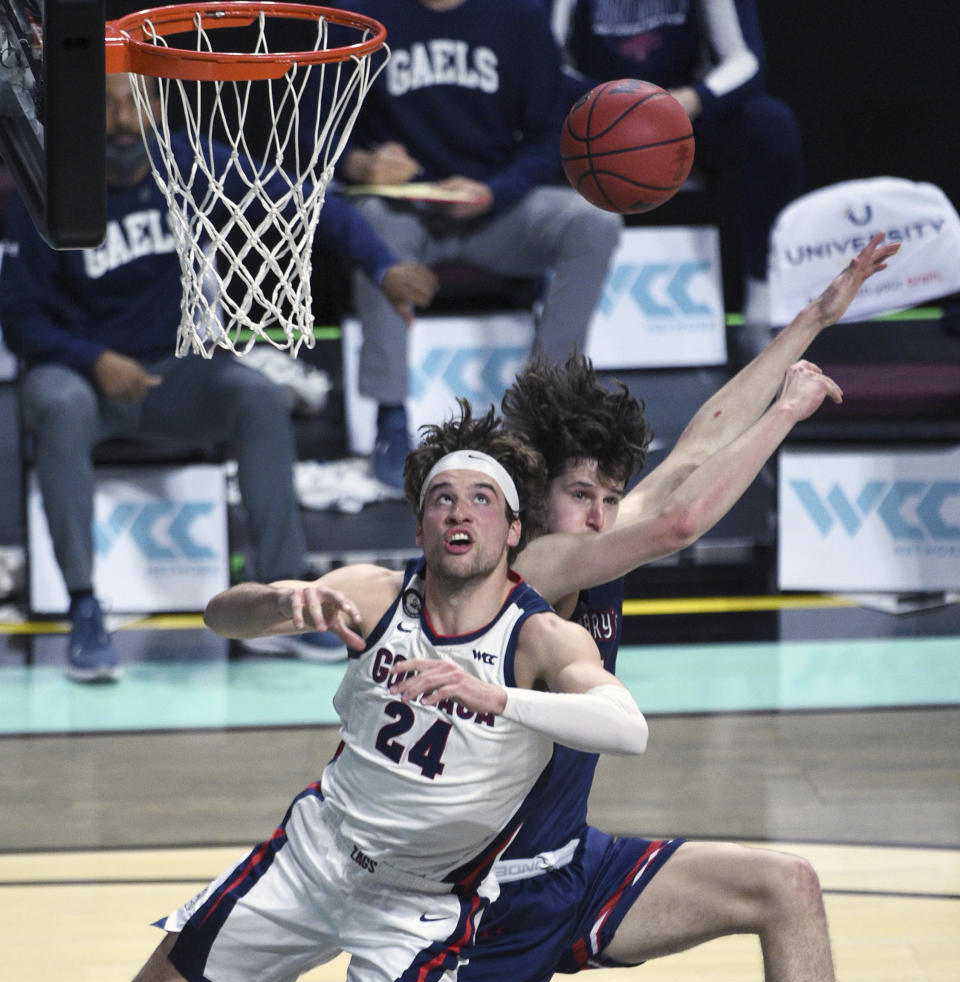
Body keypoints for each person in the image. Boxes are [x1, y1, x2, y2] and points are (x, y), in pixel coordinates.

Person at [336, 234, 953, 982]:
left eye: (604, 492)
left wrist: (814, 317)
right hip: (475, 912)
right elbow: (677, 514)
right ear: (528, 500)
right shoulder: (529, 566)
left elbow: (692, 448)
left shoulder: (590, 528)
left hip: (572, 866)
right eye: (582, 491)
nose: (599, 511)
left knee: (787, 885)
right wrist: (791, 414)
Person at [7, 406, 653, 982]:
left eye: (482, 497)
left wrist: (499, 697)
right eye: (440, 497)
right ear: (421, 521)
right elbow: (216, 616)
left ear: (516, 529)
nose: (458, 511)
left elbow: (627, 728)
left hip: (419, 912)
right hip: (313, 856)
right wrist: (279, 601)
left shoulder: (540, 642)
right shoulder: (373, 589)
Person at [0, 72, 437, 682]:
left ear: (157, 110)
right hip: (87, 381)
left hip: (174, 375)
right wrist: (91, 360)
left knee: (256, 396)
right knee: (56, 401)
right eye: (107, 106)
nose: (124, 121)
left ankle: (287, 600)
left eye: (136, 105)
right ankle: (84, 607)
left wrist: (384, 266)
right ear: (81, 114)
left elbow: (307, 201)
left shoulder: (187, 163)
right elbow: (19, 321)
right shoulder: (45, 185)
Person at [338, 0, 623, 490]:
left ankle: (544, 408)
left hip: (494, 209)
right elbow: (310, 132)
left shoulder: (521, 17)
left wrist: (496, 191)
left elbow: (547, 136)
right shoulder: (361, 14)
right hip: (405, 211)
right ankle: (389, 416)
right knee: (375, 222)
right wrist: (360, 165)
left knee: (595, 220)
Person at [554, 0, 803, 358]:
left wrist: (693, 98)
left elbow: (746, 61)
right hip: (594, 117)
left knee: (772, 127)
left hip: (680, 114)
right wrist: (612, 104)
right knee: (532, 142)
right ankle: (538, 314)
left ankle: (762, 309)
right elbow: (545, 60)